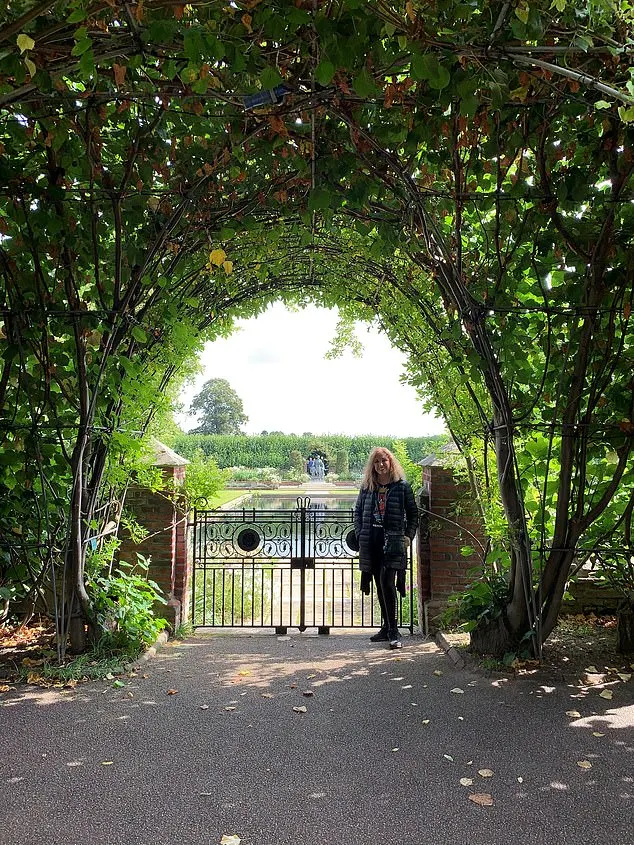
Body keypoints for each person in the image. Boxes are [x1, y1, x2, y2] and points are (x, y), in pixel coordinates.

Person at [354, 447, 418, 649]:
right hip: (371, 541)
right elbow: (357, 513)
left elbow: (413, 515)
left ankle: (393, 630)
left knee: (387, 582)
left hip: (393, 542)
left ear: (391, 463)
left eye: (384, 461)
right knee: (379, 585)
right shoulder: (367, 487)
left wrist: (408, 536)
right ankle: (386, 627)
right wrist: (359, 533)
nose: (381, 465)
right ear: (372, 466)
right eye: (377, 462)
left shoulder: (401, 487)